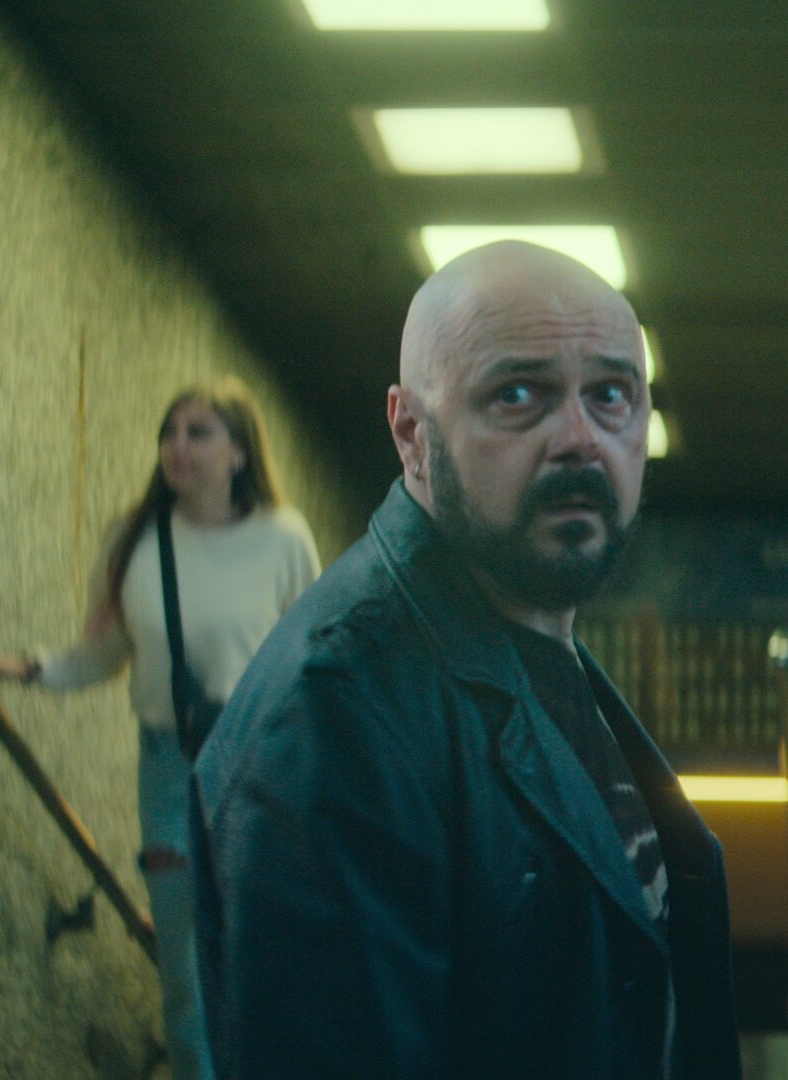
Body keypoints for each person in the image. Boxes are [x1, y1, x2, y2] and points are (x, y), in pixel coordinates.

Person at [191, 241, 742, 1079]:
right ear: (411, 433)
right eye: (517, 395)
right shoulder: (336, 710)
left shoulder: (535, 655)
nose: (580, 439)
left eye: (611, 396)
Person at [0, 377, 319, 1080]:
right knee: (185, 976)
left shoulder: (283, 539)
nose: (177, 447)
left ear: (239, 452)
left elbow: (312, 663)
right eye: (169, 432)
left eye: (198, 433)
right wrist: (26, 667)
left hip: (257, 769)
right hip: (168, 768)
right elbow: (104, 652)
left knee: (255, 961)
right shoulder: (134, 538)